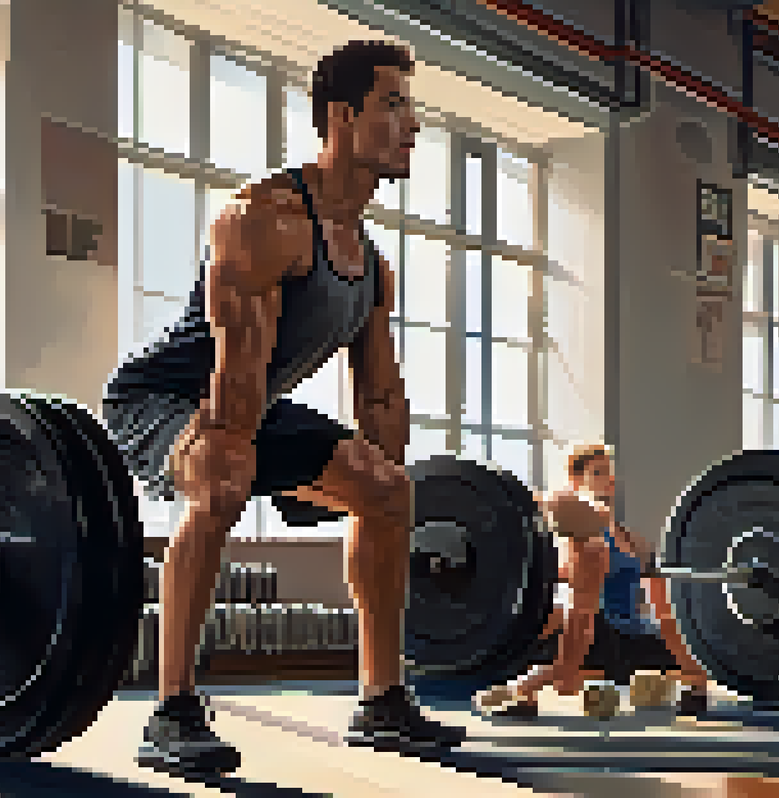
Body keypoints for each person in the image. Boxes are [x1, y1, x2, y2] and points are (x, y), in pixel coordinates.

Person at [103, 41, 464, 776]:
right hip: (163, 398)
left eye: (410, 108)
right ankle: (172, 709)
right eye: (394, 104)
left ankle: (382, 699)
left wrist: (383, 500)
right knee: (226, 473)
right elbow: (235, 382)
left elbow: (381, 395)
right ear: (342, 115)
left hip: (254, 401)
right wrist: (226, 459)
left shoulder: (371, 264)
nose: (414, 126)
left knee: (390, 492)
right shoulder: (262, 219)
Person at [473, 444, 711, 718]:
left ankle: (527, 688)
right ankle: (521, 691)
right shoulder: (574, 523)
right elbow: (545, 506)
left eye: (610, 473)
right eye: (598, 472)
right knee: (567, 653)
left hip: (629, 629)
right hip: (594, 627)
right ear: (577, 480)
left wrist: (689, 656)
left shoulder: (631, 539)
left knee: (690, 659)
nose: (609, 479)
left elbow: (661, 603)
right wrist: (567, 665)